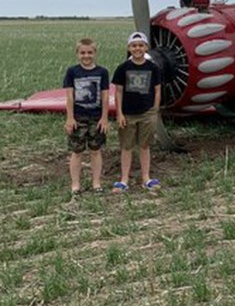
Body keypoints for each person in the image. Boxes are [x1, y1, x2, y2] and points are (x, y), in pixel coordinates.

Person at [111, 31, 163, 194]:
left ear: (146, 47)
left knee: (145, 146)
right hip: (128, 113)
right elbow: (118, 92)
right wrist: (119, 114)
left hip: (147, 113)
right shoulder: (123, 68)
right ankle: (124, 179)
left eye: (141, 45)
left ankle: (146, 178)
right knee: (126, 147)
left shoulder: (153, 68)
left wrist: (154, 109)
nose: (137, 48)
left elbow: (157, 90)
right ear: (129, 48)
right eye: (134, 46)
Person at [63, 38, 110, 196]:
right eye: (83, 52)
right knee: (77, 152)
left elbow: (105, 97)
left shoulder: (102, 72)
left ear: (95, 53)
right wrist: (70, 118)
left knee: (95, 151)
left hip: (96, 118)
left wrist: (104, 118)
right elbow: (70, 96)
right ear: (77, 54)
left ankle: (96, 182)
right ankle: (75, 184)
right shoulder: (72, 72)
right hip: (79, 117)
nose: (86, 55)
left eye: (90, 52)